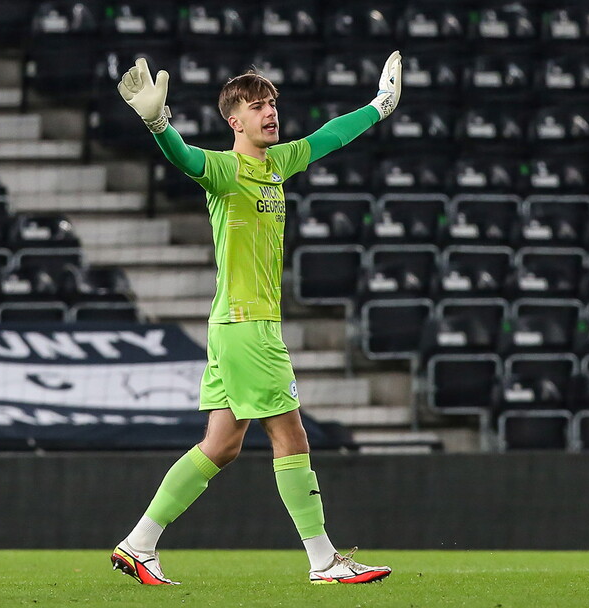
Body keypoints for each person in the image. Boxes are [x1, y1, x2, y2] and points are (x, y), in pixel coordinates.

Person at [110, 52, 402, 585]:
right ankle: (323, 561)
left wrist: (378, 107)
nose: (269, 112)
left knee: (220, 446)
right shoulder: (224, 170)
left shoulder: (279, 163)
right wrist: (158, 124)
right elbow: (183, 158)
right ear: (234, 120)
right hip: (247, 327)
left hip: (234, 327)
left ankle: (138, 544)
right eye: (256, 105)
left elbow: (331, 135)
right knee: (292, 438)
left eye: (272, 103)